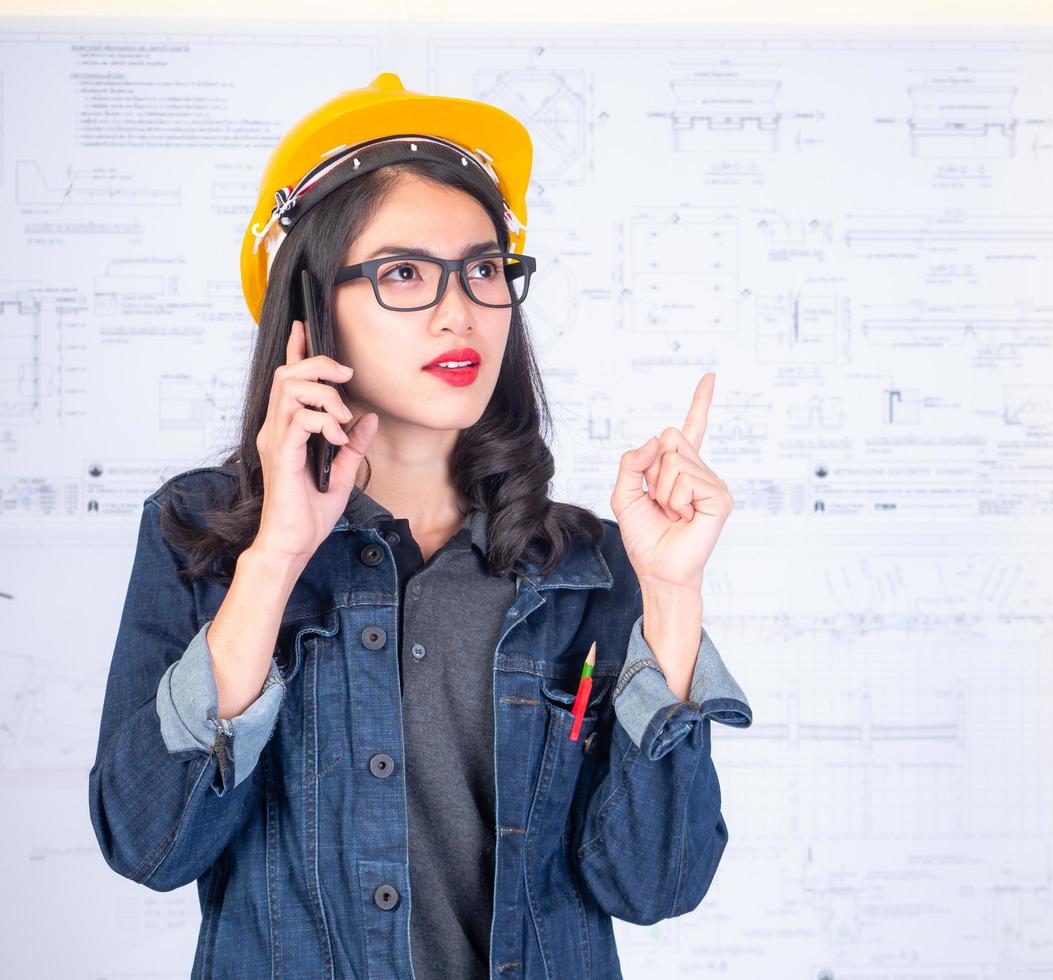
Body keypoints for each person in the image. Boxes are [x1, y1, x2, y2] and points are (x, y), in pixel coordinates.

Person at [87, 71, 752, 979]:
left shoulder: (587, 564)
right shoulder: (200, 531)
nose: (459, 309)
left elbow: (653, 885)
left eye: (483, 269)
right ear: (313, 309)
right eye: (403, 272)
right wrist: (278, 553)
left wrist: (671, 599)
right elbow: (150, 844)